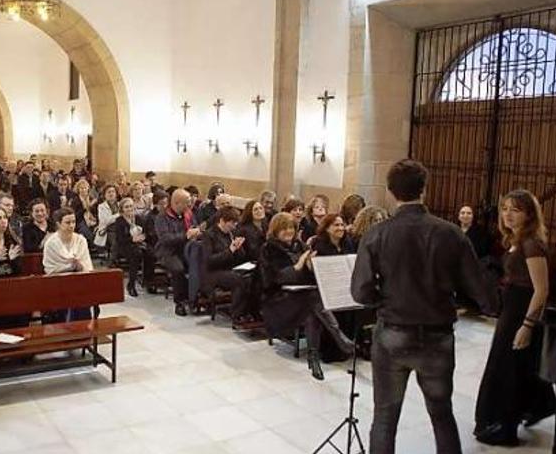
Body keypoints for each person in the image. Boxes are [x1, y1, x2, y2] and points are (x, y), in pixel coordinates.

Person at [351, 159, 493, 454]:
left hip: (392, 333)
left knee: (385, 418)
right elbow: (482, 293)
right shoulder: (451, 233)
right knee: (442, 415)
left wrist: (386, 299)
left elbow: (360, 291)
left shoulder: (376, 234)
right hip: (437, 336)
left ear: (390, 192)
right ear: (424, 190)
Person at [474, 190, 556, 446]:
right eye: (505, 208)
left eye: (515, 209)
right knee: (514, 368)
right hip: (511, 309)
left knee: (508, 370)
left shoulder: (532, 243)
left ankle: (506, 426)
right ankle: (539, 406)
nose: (507, 214)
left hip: (522, 312)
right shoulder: (515, 239)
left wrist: (527, 326)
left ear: (529, 214)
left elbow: (541, 289)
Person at [260, 212, 353, 380]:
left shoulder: (300, 245)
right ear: (275, 230)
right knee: (312, 301)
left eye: (291, 228)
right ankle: (338, 337)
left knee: (312, 311)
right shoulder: (268, 248)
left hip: (302, 296)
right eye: (284, 228)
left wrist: (311, 267)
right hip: (278, 300)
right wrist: (299, 265)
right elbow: (272, 280)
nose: (288, 231)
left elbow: (310, 277)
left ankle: (314, 357)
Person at [43, 207, 94, 321]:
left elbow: (87, 266)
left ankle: (83, 331)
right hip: (57, 285)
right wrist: (69, 267)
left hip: (79, 283)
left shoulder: (81, 240)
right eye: (67, 222)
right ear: (58, 224)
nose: (72, 225)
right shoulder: (51, 243)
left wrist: (79, 265)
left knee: (82, 301)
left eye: (73, 222)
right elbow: (50, 269)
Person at [156, 189, 201, 316]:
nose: (190, 204)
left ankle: (194, 296)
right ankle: (179, 302)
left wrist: (196, 232)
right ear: (176, 203)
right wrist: (185, 236)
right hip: (169, 251)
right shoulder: (162, 217)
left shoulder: (189, 214)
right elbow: (165, 239)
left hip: (187, 249)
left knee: (199, 264)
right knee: (178, 269)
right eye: (187, 202)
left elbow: (194, 227)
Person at [203, 206, 252, 323]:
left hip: (229, 269)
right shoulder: (209, 235)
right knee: (238, 280)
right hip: (214, 273)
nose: (234, 226)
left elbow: (240, 258)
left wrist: (239, 249)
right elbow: (210, 261)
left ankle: (248, 311)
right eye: (232, 223)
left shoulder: (232, 233)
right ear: (222, 221)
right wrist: (230, 251)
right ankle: (236, 314)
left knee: (250, 278)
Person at [112, 197, 153, 297]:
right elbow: (119, 239)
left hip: (138, 243)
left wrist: (143, 237)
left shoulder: (138, 218)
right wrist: (132, 239)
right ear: (122, 209)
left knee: (150, 253)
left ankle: (148, 282)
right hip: (124, 245)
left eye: (131, 206)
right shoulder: (119, 221)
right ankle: (131, 285)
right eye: (126, 207)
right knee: (136, 254)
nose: (129, 209)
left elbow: (144, 232)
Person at [94, 184, 120, 249]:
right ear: (105, 195)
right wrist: (119, 214)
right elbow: (105, 221)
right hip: (108, 230)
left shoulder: (120, 204)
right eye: (109, 192)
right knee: (116, 241)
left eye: (113, 191)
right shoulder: (101, 206)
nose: (111, 194)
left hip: (120, 229)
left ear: (116, 194)